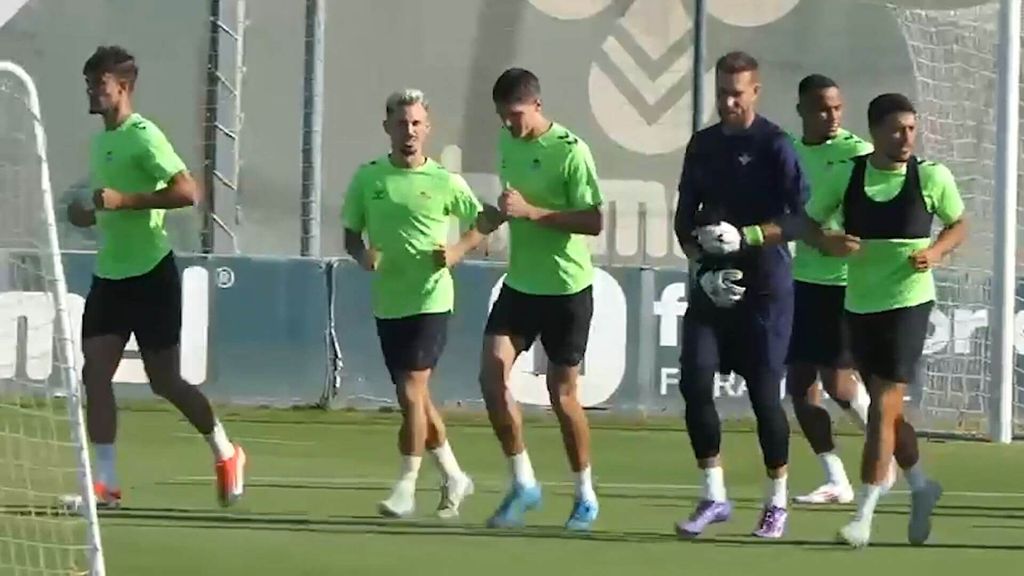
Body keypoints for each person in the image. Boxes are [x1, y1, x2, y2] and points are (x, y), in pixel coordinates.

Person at [67, 46, 245, 508]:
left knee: (165, 382)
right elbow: (103, 204)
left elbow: (189, 191)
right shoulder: (100, 141)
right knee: (95, 374)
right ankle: (105, 484)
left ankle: (226, 451)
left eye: (98, 83)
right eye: (88, 83)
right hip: (110, 275)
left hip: (150, 275)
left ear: (122, 87)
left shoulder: (144, 135)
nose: (90, 90)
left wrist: (125, 201)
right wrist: (86, 212)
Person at [802, 93, 965, 547]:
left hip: (909, 306)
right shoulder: (850, 176)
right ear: (874, 133)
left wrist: (934, 252)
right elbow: (806, 223)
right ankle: (921, 485)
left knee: (882, 407)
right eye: (896, 129)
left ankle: (864, 516)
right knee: (886, 410)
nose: (906, 137)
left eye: (911, 128)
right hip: (859, 306)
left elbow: (958, 223)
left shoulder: (932, 176)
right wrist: (828, 243)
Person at [673, 51, 808, 539]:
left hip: (767, 289)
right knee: (694, 382)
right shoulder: (702, 145)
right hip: (712, 285)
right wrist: (699, 265)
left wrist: (747, 236)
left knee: (764, 400)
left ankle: (777, 502)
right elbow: (683, 219)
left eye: (738, 92)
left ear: (755, 91)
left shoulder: (775, 145)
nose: (729, 101)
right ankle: (713, 495)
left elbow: (798, 219)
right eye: (722, 92)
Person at [341, 89, 495, 519]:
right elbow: (351, 234)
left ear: (427, 129)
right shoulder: (368, 178)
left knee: (411, 392)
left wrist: (459, 249)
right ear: (387, 127)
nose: (408, 131)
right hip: (389, 302)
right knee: (418, 398)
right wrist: (361, 254)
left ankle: (405, 487)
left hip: (432, 300)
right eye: (401, 123)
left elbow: (485, 218)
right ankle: (454, 475)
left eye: (416, 123)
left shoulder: (444, 180)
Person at [478, 68, 604, 531]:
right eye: (502, 118)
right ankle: (524, 482)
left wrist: (531, 213)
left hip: (567, 290)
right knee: (492, 375)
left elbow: (594, 220)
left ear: (536, 105)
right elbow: (513, 205)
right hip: (521, 285)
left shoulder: (572, 151)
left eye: (515, 115)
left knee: (562, 395)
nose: (509, 125)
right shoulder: (508, 143)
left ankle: (585, 494)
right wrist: (494, 218)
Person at [786, 74, 896, 505]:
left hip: (844, 283)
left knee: (837, 381)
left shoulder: (858, 154)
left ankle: (882, 454)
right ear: (802, 111)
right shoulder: (791, 155)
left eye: (836, 108)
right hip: (800, 281)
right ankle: (835, 477)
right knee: (798, 385)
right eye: (820, 108)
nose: (830, 116)